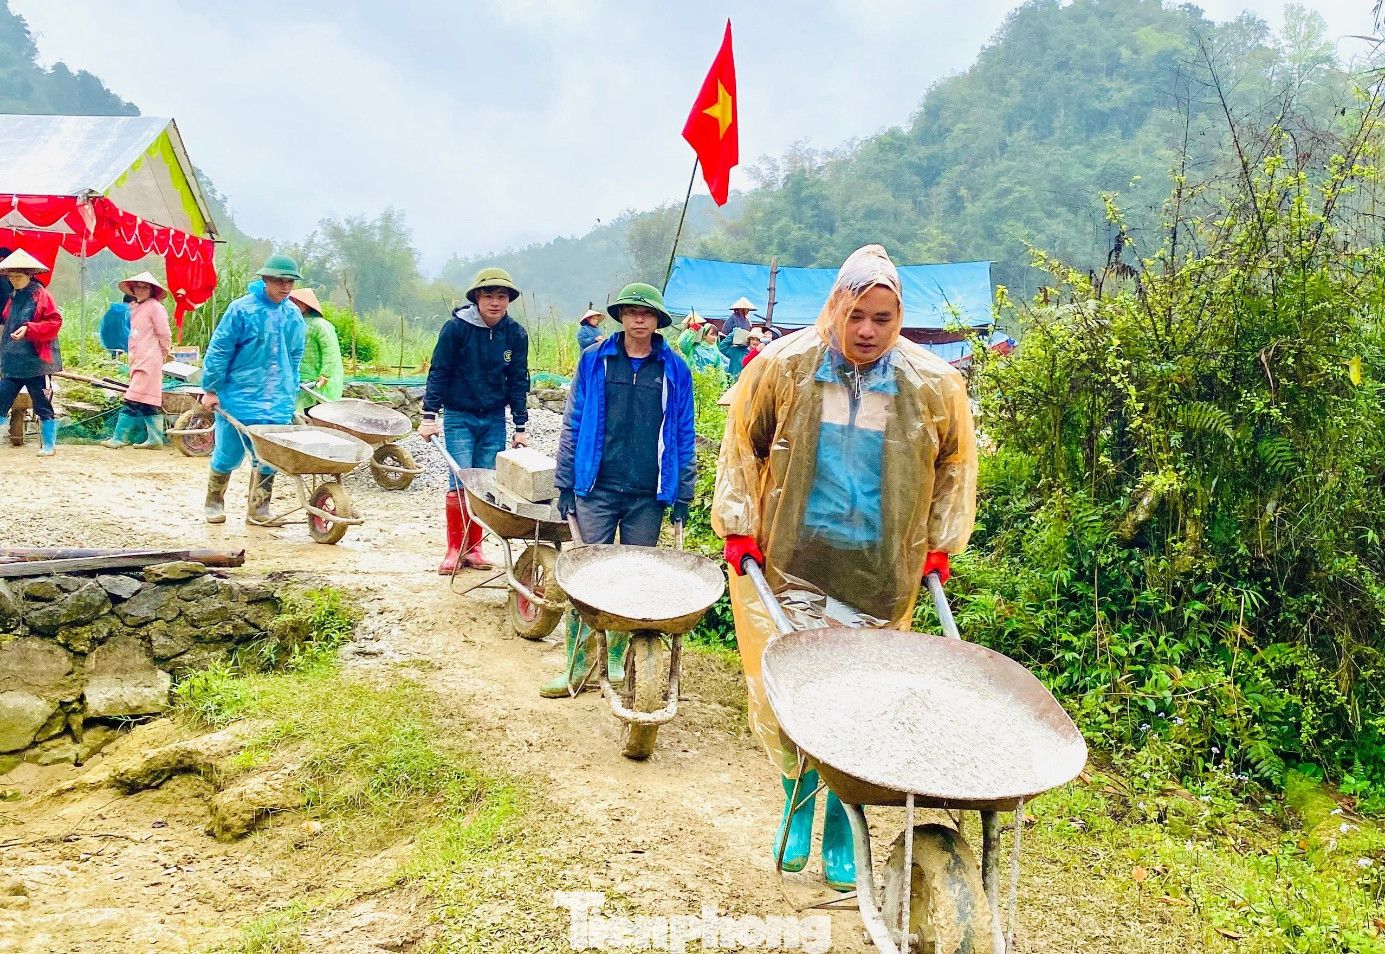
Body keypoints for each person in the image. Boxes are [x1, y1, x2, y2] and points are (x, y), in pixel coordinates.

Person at [712, 245, 978, 891]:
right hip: (793, 557)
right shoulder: (784, 366)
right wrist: (738, 525)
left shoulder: (931, 384)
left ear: (898, 318)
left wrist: (939, 541)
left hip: (880, 566)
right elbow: (743, 443)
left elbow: (954, 464)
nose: (866, 331)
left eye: (882, 318)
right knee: (792, 691)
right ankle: (797, 807)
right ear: (835, 306)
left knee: (859, 705)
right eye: (856, 314)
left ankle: (840, 824)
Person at [543, 282, 696, 698]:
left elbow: (684, 432)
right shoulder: (595, 360)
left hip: (647, 495)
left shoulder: (674, 369)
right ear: (621, 317)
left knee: (635, 580)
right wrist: (566, 482)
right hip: (597, 488)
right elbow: (574, 422)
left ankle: (614, 657)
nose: (639, 319)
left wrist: (682, 492)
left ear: (658, 320)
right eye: (631, 312)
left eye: (647, 313)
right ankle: (576, 666)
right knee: (583, 578)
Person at [417, 267, 531, 574]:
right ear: (477, 298)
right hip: (459, 416)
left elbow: (518, 380)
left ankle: (475, 548)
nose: (495, 302)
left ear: (509, 300)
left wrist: (520, 426)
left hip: (494, 418)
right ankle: (455, 549)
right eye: (489, 295)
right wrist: (429, 415)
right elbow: (439, 371)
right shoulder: (456, 329)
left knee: (485, 482)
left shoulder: (515, 334)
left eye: (501, 296)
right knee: (460, 479)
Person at [200, 254, 307, 524]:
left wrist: (291, 387)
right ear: (266, 280)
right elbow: (220, 350)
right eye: (279, 281)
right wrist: (211, 389)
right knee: (228, 452)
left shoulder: (293, 314)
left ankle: (258, 509)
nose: (285, 287)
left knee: (270, 456)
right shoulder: (241, 310)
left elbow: (295, 354)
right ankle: (214, 501)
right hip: (239, 396)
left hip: (278, 399)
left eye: (290, 282)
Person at [0, 250, 62, 456]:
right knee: (1, 400)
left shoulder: (42, 295)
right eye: (11, 277)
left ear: (29, 274)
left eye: (18, 276)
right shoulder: (13, 296)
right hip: (13, 361)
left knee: (42, 404)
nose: (14, 280)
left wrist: (30, 328)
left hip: (36, 362)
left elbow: (54, 322)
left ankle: (49, 445)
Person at [102, 272, 173, 449]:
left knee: (132, 399)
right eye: (137, 287)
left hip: (149, 360)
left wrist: (165, 351)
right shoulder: (138, 307)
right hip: (139, 359)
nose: (140, 290)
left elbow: (164, 333)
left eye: (144, 287)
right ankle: (155, 439)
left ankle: (119, 438)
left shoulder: (155, 307)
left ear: (152, 290)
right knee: (147, 401)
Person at [290, 288, 344, 411]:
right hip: (300, 376)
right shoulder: (296, 323)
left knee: (315, 409)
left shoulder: (321, 325)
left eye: (297, 302)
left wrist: (325, 374)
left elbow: (329, 351)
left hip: (316, 377)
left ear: (306, 305)